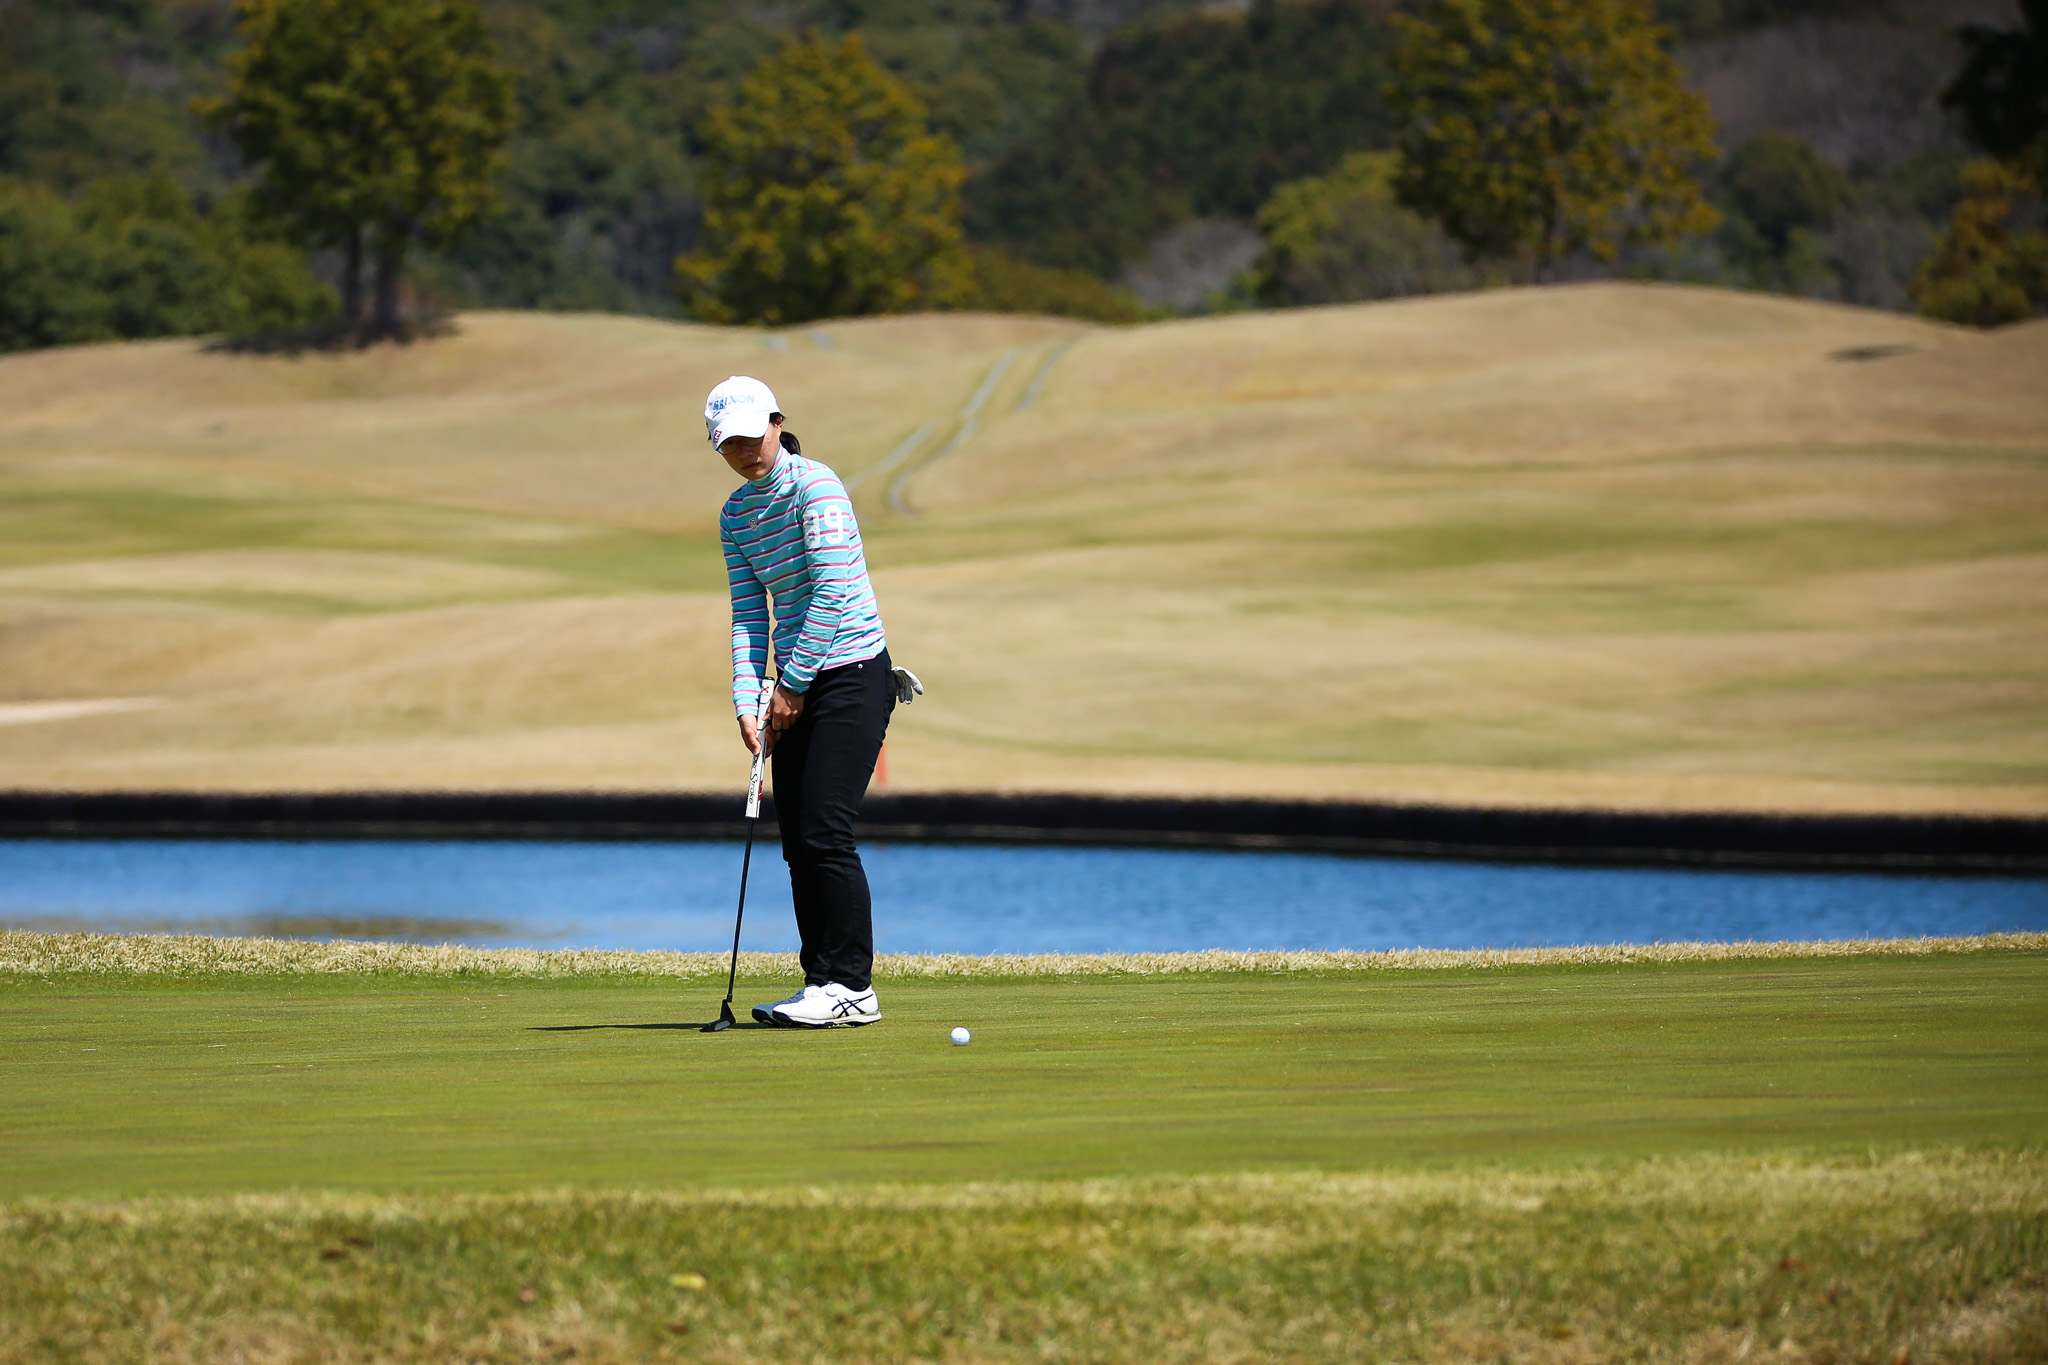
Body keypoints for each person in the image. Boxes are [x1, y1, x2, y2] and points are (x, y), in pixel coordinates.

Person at [707, 374, 911, 1028]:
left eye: (752, 434)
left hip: (852, 671)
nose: (745, 450)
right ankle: (823, 981)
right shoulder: (736, 515)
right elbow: (749, 615)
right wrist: (749, 697)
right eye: (730, 443)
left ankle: (852, 983)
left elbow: (827, 593)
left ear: (775, 421)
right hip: (794, 681)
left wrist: (789, 686)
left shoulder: (815, 485)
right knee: (798, 839)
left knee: (825, 829)